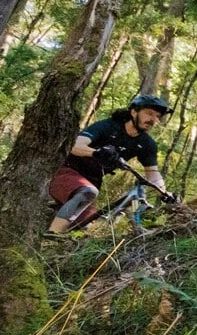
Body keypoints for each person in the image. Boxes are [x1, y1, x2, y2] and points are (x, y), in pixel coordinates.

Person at [46, 94, 176, 233]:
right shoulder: (107, 126)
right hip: (66, 172)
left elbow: (153, 175)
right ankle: (52, 234)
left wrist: (164, 193)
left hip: (93, 182)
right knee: (87, 192)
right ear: (134, 111)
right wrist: (96, 152)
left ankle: (56, 228)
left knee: (88, 227)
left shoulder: (147, 144)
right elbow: (75, 146)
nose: (153, 120)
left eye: (157, 116)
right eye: (149, 113)